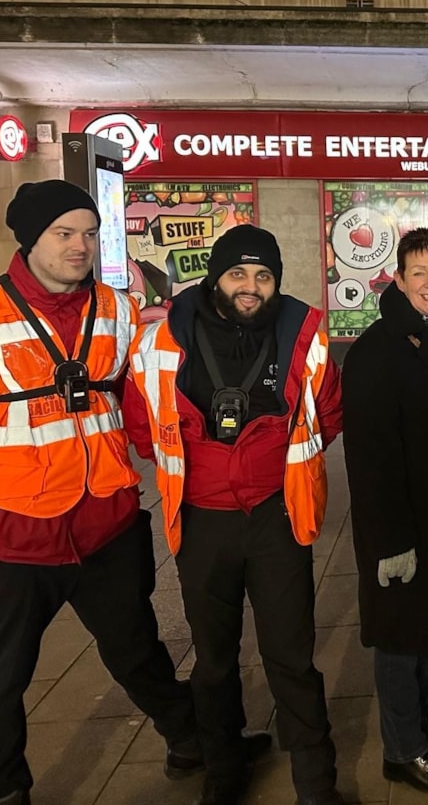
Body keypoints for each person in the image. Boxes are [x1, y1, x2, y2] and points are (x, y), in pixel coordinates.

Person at [0, 180, 199, 805]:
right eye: (64, 234)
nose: (79, 246)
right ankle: (2, 792)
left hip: (106, 522)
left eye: (89, 234)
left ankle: (192, 740)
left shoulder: (116, 309)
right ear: (30, 238)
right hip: (12, 531)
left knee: (138, 650)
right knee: (1, 678)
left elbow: (136, 404)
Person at [123, 224, 343, 805]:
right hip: (201, 521)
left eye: (264, 276)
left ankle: (317, 787)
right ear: (215, 276)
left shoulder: (303, 332)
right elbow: (141, 420)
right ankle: (224, 775)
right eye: (239, 274)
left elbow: (330, 412)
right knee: (214, 659)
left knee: (292, 657)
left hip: (278, 517)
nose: (251, 287)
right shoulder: (162, 339)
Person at [340, 228, 428, 794]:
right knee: (401, 634)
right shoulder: (377, 350)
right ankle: (401, 750)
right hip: (401, 518)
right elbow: (369, 458)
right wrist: (390, 539)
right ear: (398, 279)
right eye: (418, 273)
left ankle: (423, 713)